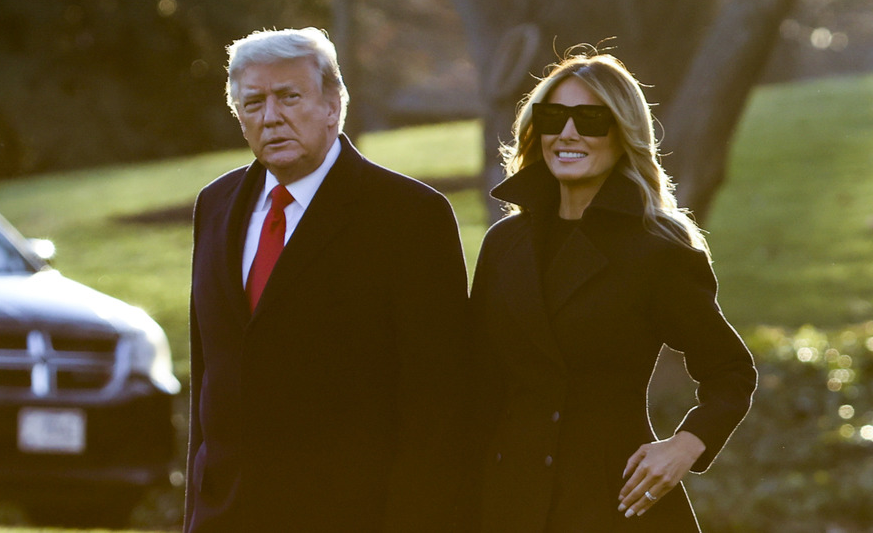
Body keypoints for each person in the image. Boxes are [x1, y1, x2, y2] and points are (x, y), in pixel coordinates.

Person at [184, 28, 469, 532]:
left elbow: (440, 406)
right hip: (225, 515)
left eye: (290, 97)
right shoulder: (215, 205)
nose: (271, 116)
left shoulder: (410, 217)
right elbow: (210, 378)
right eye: (253, 103)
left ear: (334, 105)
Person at [469, 51, 757, 532]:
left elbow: (730, 372)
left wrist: (684, 446)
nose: (568, 133)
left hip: (613, 502)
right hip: (506, 499)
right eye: (554, 117)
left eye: (591, 119)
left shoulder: (657, 250)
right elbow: (475, 383)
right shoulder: (503, 243)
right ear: (535, 131)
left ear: (624, 135)